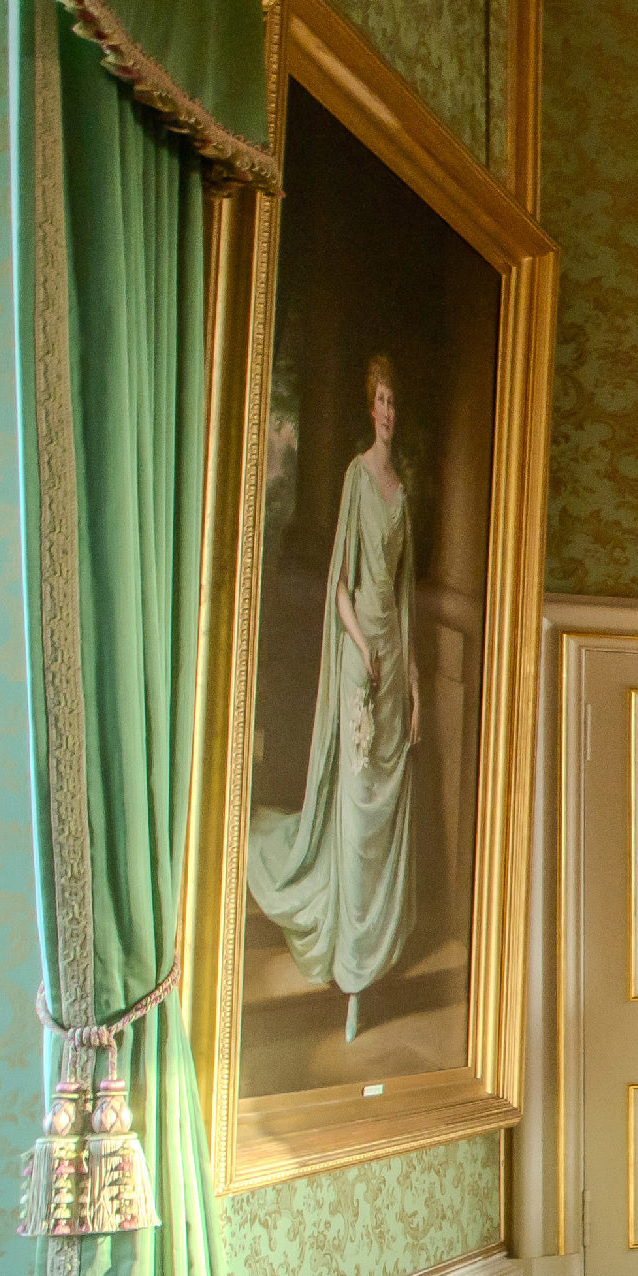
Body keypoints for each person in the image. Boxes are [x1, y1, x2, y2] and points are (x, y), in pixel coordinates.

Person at [247, 354, 418, 1037]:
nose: (387, 413)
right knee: (353, 810)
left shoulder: (403, 488)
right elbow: (341, 587)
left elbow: (402, 595)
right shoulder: (355, 476)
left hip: (393, 659)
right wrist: (364, 646)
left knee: (383, 815)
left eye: (394, 403)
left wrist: (413, 679)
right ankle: (348, 968)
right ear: (368, 408)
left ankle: (370, 962)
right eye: (380, 401)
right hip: (358, 659)